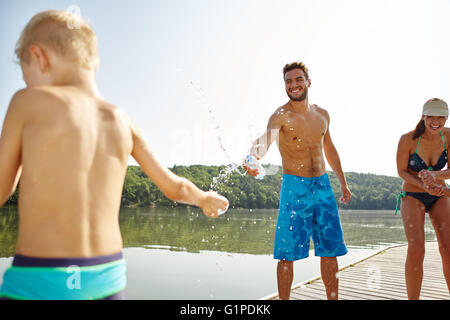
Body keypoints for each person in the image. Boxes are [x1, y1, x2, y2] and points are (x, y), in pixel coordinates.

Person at [0, 10, 228, 300]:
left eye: (26, 75)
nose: (28, 84)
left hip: (42, 277)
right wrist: (203, 198)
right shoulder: (121, 120)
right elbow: (175, 187)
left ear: (39, 57)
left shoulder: (27, 101)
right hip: (106, 277)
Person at [243, 61, 351, 300]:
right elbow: (265, 139)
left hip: (323, 186)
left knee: (330, 250)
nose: (293, 85)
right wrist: (252, 156)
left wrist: (342, 182)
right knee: (286, 253)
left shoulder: (322, 114)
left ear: (308, 82)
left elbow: (330, 149)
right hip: (295, 187)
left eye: (298, 79)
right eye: (288, 81)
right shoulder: (280, 116)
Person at [396, 98, 450, 299]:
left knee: (448, 249)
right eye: (431, 117)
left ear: (446, 117)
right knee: (417, 249)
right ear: (423, 117)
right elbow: (402, 171)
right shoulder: (407, 139)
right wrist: (424, 185)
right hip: (413, 195)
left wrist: (436, 176)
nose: (436, 121)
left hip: (440, 195)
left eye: (441, 117)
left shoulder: (449, 136)